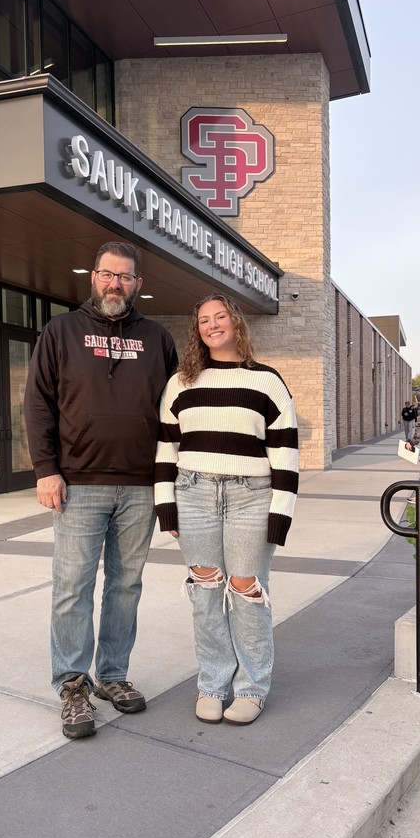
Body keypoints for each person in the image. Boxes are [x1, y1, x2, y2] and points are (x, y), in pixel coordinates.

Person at [24, 242, 178, 739]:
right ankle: (73, 685)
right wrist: (46, 468)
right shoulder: (61, 331)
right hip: (78, 485)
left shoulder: (157, 338)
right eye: (108, 275)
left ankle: (112, 676)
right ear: (93, 277)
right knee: (72, 588)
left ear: (138, 283)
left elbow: (176, 409)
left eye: (126, 277)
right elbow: (38, 404)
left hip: (140, 485)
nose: (116, 284)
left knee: (125, 586)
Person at [154, 294, 299, 726]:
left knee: (246, 590)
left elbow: (286, 454)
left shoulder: (267, 382)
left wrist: (280, 512)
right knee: (205, 592)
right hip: (193, 492)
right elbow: (166, 446)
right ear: (197, 330)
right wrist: (166, 504)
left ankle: (252, 688)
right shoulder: (181, 382)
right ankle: (212, 684)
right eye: (203, 320)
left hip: (251, 496)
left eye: (220, 317)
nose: (212, 325)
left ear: (236, 323)